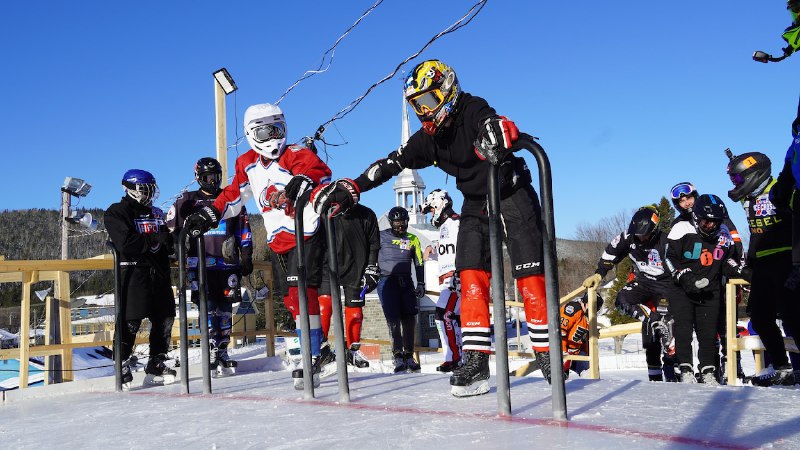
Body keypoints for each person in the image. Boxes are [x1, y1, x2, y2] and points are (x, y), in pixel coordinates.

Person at [311, 59, 550, 397]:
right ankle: (477, 361)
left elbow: (489, 120)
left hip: (510, 192)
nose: (424, 112)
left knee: (530, 275)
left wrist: (497, 128)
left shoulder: (471, 108)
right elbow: (391, 163)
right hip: (474, 203)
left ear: (448, 91)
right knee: (470, 278)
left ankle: (547, 353)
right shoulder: (426, 140)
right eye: (417, 105)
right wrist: (355, 186)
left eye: (428, 102)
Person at [183, 103, 333, 389]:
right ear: (252, 133)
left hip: (307, 232)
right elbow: (233, 195)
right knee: (292, 299)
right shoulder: (247, 163)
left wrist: (303, 181)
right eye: (265, 131)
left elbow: (318, 172)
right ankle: (317, 349)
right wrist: (211, 213)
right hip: (280, 240)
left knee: (305, 294)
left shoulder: (296, 154)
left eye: (276, 129)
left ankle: (313, 353)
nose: (272, 138)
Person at [167, 157, 253, 376]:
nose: (212, 181)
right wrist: (178, 252)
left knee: (225, 309)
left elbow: (243, 228)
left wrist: (246, 255)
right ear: (198, 178)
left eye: (215, 176)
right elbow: (171, 229)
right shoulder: (187, 201)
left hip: (227, 264)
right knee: (205, 308)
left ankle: (222, 349)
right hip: (199, 265)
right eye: (207, 177)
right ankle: (210, 350)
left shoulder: (230, 199)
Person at [726, 151, 798, 386]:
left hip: (787, 260)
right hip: (763, 266)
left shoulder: (783, 189)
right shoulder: (750, 199)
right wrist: (750, 264)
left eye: (737, 180)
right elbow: (756, 234)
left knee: (792, 317)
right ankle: (782, 367)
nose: (736, 186)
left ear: (754, 174)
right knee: (760, 317)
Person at [582, 206, 677, 382]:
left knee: (665, 333)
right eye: (638, 234)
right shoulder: (627, 236)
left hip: (666, 284)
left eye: (645, 235)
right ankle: (651, 319)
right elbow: (610, 254)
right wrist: (599, 273)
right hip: (643, 281)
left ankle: (673, 373)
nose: (641, 238)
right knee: (622, 299)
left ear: (654, 231)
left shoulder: (666, 241)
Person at [664, 194, 751, 384]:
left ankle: (708, 371)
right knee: (684, 328)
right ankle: (686, 369)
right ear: (696, 218)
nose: (711, 226)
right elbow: (669, 257)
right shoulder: (681, 228)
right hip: (682, 289)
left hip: (709, 290)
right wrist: (684, 276)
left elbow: (725, 261)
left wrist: (741, 271)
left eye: (715, 222)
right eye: (706, 222)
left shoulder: (724, 233)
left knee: (708, 332)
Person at [104, 169, 177, 386]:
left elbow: (168, 241)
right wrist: (154, 240)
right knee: (130, 320)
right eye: (145, 190)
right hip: (134, 272)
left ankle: (157, 360)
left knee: (165, 318)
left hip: (159, 273)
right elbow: (125, 242)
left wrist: (169, 240)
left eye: (151, 190)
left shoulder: (157, 212)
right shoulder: (117, 212)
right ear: (132, 189)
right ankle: (122, 363)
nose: (149, 195)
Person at [317, 203, 380, 368]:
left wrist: (372, 266)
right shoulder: (323, 212)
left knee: (355, 314)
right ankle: (321, 350)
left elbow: (374, 244)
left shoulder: (367, 214)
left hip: (356, 267)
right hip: (327, 265)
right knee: (324, 306)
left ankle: (352, 350)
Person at [377, 206, 426, 373]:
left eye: (403, 223)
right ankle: (397, 356)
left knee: (409, 319)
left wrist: (421, 283)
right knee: (393, 320)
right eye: (397, 223)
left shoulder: (413, 238)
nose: (400, 226)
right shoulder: (381, 236)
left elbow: (419, 262)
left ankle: (409, 355)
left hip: (406, 282)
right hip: (386, 281)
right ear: (391, 222)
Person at [422, 188, 463, 373]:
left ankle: (455, 357)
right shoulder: (444, 227)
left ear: (439, 205)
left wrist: (460, 274)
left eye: (431, 209)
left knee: (445, 314)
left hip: (457, 279)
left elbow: (465, 249)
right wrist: (433, 249)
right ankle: (456, 356)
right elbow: (448, 252)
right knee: (451, 317)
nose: (431, 213)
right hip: (447, 281)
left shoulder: (457, 223)